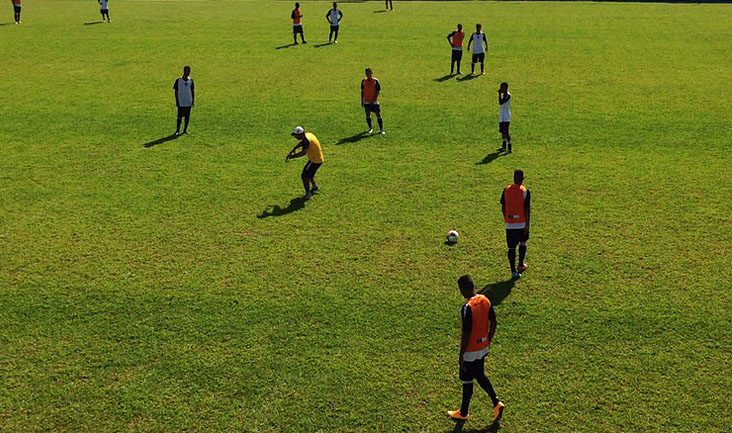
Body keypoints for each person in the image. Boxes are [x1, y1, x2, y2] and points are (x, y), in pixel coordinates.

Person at [447, 275, 505, 423]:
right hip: (482, 347)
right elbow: (494, 321)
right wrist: (488, 340)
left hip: (470, 350)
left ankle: (463, 412)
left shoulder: (467, 308)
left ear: (463, 289)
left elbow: (466, 333)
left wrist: (461, 354)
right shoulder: (485, 300)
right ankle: (496, 403)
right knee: (479, 375)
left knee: (467, 380)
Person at [500, 170, 530, 277]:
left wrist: (506, 218)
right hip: (521, 223)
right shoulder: (525, 191)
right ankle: (520, 264)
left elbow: (503, 206)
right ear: (522, 178)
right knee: (523, 243)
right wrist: (527, 224)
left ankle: (513, 271)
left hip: (509, 224)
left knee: (511, 248)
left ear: (513, 178)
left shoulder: (506, 190)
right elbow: (527, 209)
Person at [285, 126, 323, 199]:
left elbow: (303, 153)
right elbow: (301, 142)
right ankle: (314, 186)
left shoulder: (306, 141)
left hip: (315, 160)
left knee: (304, 176)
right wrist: (294, 148)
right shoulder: (308, 135)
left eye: (295, 135)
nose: (295, 137)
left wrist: (293, 156)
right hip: (316, 158)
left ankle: (308, 194)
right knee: (308, 173)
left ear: (300, 134)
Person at [361, 68, 385, 135]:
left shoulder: (375, 81)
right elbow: (362, 91)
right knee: (367, 114)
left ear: (371, 73)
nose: (367, 74)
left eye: (369, 73)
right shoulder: (363, 81)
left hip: (374, 101)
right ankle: (370, 128)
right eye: (366, 73)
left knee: (378, 114)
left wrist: (373, 99)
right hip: (366, 101)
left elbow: (377, 91)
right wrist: (362, 101)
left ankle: (381, 129)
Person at [173, 66, 195, 135]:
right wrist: (177, 100)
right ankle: (177, 130)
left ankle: (185, 130)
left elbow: (192, 90)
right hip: (181, 101)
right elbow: (176, 91)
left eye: (189, 71)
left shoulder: (190, 80)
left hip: (188, 101)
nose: (188, 72)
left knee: (187, 116)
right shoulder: (179, 80)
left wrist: (193, 100)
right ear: (184, 71)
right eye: (187, 71)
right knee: (179, 117)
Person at [498, 82, 511, 152]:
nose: (500, 89)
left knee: (506, 132)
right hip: (502, 115)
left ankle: (509, 146)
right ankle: (503, 146)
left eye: (501, 88)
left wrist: (499, 94)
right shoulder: (504, 95)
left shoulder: (507, 95)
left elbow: (500, 102)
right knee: (502, 131)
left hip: (506, 116)